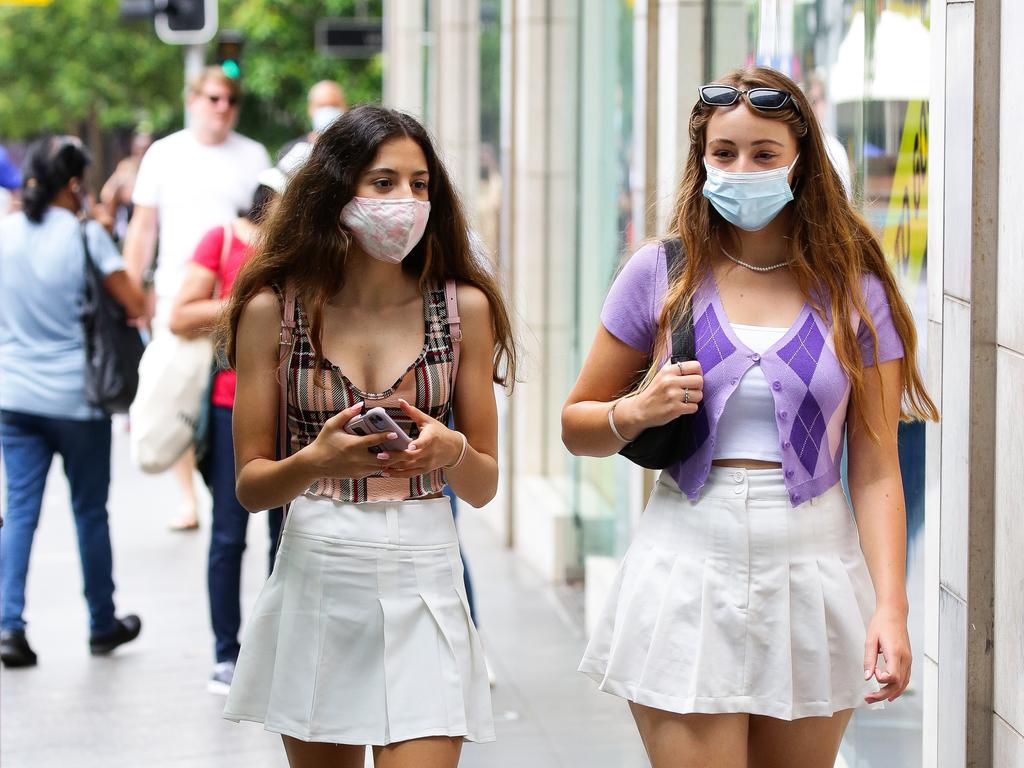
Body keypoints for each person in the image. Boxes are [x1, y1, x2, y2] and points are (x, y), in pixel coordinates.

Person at [562, 67, 938, 768]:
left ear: (803, 164)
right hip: (685, 561)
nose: (742, 168)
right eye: (724, 153)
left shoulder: (856, 291)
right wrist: (635, 410)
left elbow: (879, 464)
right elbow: (576, 424)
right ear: (700, 160)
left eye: (764, 153)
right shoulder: (658, 273)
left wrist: (892, 607)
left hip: (813, 566)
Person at [219, 104, 516, 767]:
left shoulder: (463, 308)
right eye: (384, 182)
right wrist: (315, 459)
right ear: (336, 188)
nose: (405, 201)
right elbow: (250, 486)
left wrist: (451, 451)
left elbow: (487, 481)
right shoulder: (274, 311)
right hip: (319, 572)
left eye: (420, 184)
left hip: (427, 573)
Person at [0, 136, 148, 667]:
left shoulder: (6, 233)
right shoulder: (88, 237)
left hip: (13, 396)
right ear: (73, 184)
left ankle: (8, 626)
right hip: (78, 400)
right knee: (89, 511)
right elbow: (134, 302)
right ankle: (101, 623)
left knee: (19, 511)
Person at [123, 67, 270, 532]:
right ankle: (189, 498)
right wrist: (132, 291)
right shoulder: (165, 155)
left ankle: (228, 481)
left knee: (234, 399)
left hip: (237, 298)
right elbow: (143, 227)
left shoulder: (252, 155)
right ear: (193, 100)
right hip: (179, 295)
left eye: (230, 100)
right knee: (181, 394)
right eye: (213, 98)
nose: (222, 107)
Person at [169, 178, 284, 695]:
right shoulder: (221, 240)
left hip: (298, 413)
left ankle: (279, 646)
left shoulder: (305, 250)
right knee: (228, 534)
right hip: (229, 405)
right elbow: (180, 315)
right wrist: (252, 307)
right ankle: (225, 654)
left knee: (287, 539)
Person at [99, 129, 153, 242]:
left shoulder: (156, 168)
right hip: (127, 219)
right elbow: (106, 194)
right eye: (139, 149)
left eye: (145, 149)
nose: (141, 153)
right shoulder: (126, 166)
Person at [277, 79, 347, 161]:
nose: (328, 110)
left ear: (345, 108)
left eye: (334, 105)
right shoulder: (290, 153)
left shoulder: (356, 149)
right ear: (310, 109)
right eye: (322, 106)